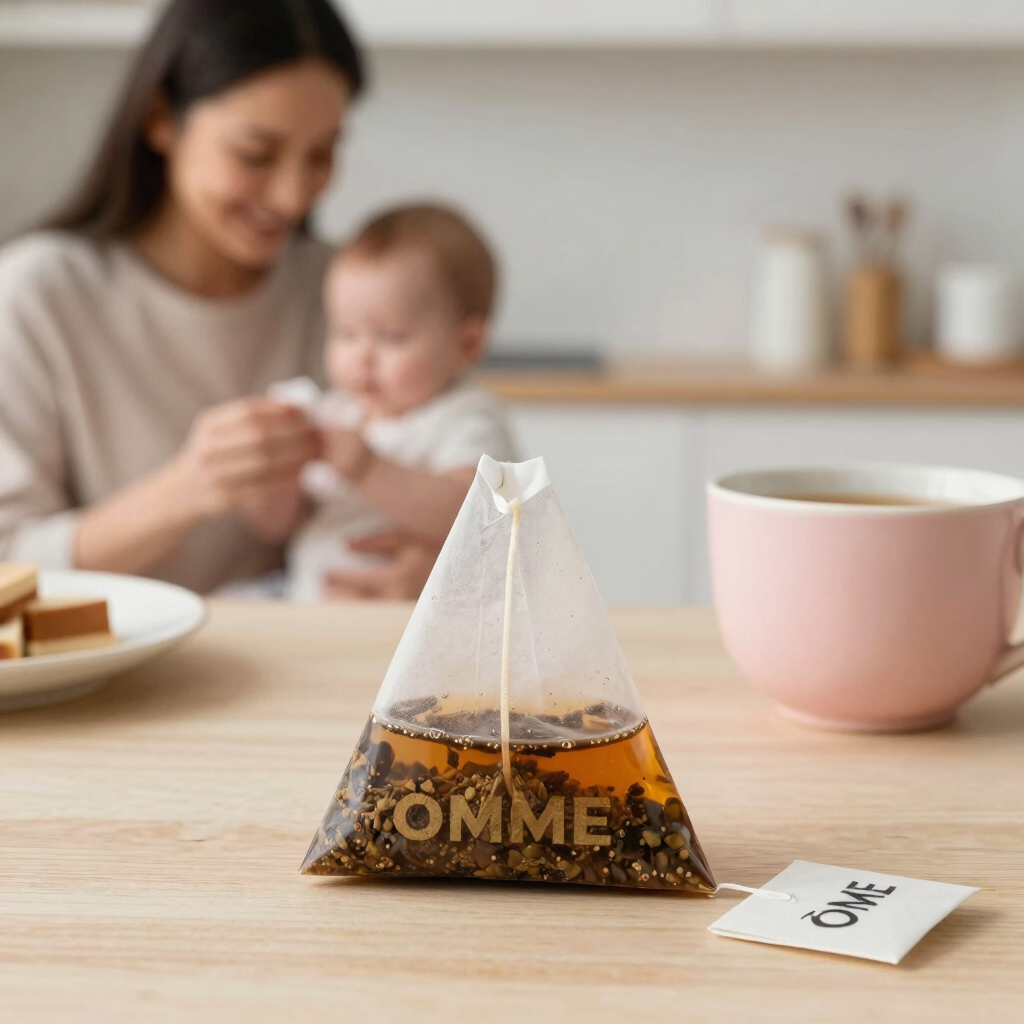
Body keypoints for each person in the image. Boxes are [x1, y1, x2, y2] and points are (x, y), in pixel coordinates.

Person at [0, 0, 441, 599]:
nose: (292, 197)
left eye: (321, 154)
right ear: (162, 119)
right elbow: (8, 569)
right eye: (255, 155)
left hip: (298, 665)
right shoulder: (37, 297)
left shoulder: (345, 295)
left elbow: (440, 477)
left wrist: (431, 566)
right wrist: (187, 488)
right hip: (107, 679)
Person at [259, 204, 517, 601]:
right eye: (346, 333)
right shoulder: (339, 412)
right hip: (304, 597)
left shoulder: (466, 417)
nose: (362, 356)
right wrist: (275, 475)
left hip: (412, 617)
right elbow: (277, 525)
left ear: (466, 344)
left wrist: (367, 468)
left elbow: (474, 515)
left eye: (391, 337)